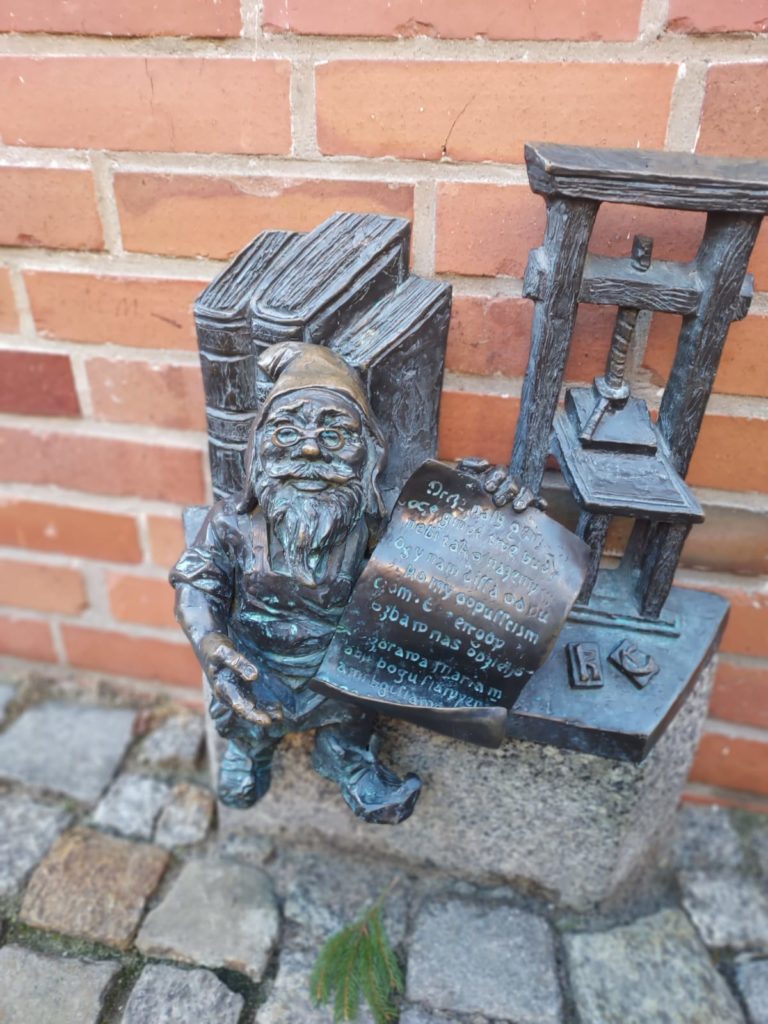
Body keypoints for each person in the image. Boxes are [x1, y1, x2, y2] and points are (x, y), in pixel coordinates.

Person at [171, 342, 422, 824]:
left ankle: (345, 759)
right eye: (287, 433)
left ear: (370, 453)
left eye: (335, 436)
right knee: (247, 713)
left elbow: (445, 560)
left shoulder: (376, 529)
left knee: (353, 712)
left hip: (337, 672)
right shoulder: (230, 524)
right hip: (257, 661)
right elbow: (198, 584)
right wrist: (211, 641)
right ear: (258, 451)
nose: (309, 450)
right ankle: (250, 751)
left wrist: (488, 501)